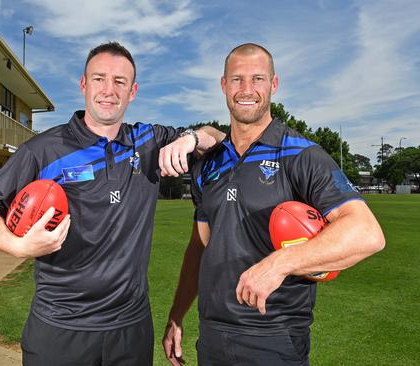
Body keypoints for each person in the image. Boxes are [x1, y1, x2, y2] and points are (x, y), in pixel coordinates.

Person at [0, 41, 223, 366]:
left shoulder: (147, 141)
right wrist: (19, 246)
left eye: (120, 82)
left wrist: (192, 138)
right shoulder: (44, 149)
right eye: (99, 79)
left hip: (130, 329)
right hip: (60, 328)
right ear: (84, 84)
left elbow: (218, 137)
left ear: (132, 92)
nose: (109, 90)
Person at [162, 43, 385, 366]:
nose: (247, 90)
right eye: (237, 80)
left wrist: (281, 262)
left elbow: (367, 233)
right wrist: (176, 315)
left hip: (275, 339)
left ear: (274, 85)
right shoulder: (208, 165)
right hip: (211, 338)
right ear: (224, 86)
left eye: (258, 79)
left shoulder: (302, 155)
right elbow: (200, 246)